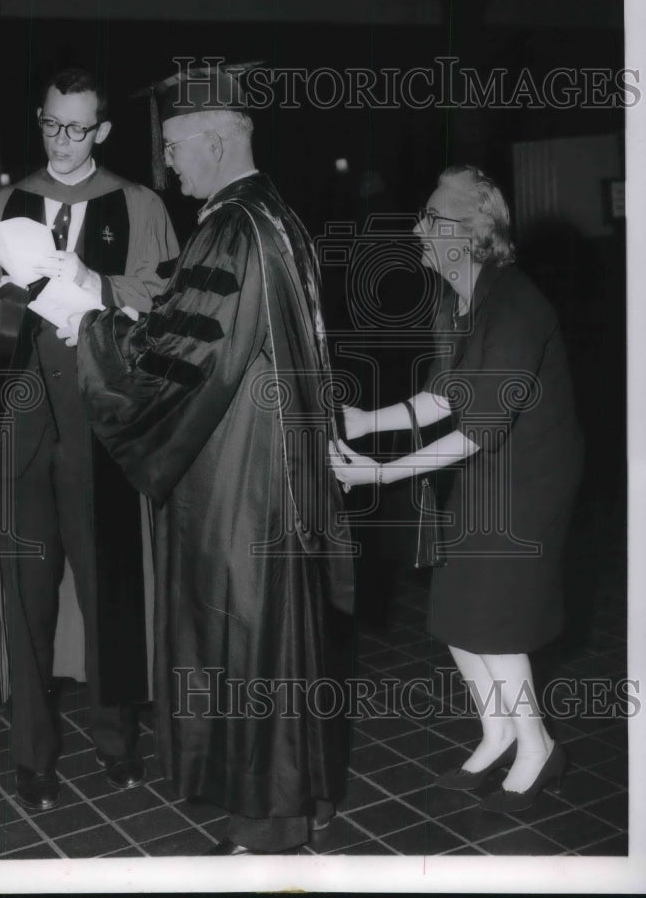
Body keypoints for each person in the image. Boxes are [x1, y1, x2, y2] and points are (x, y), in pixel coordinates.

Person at [75, 61, 355, 854]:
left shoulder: (232, 225)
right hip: (279, 462)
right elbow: (199, 320)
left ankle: (265, 825)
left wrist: (94, 328)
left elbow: (184, 358)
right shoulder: (276, 215)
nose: (167, 164)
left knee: (246, 635)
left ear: (219, 137)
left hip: (240, 470)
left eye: (174, 145)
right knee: (281, 635)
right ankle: (302, 801)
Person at [0, 66, 179, 812]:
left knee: (106, 583)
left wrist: (93, 284)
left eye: (79, 127)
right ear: (39, 121)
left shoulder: (138, 206)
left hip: (98, 418)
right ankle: (32, 754)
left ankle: (115, 739)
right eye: (51, 125)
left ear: (102, 130)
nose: (64, 140)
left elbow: (168, 303)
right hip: (19, 415)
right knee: (25, 589)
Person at [330, 165, 583, 813]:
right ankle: (496, 732)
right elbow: (445, 393)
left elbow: (478, 428)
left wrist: (380, 471)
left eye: (432, 219)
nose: (417, 228)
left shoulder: (516, 303)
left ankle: (536, 745)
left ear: (473, 233)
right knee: (454, 615)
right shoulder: (460, 297)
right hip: (486, 466)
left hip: (526, 477)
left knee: (494, 620)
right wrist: (368, 421)